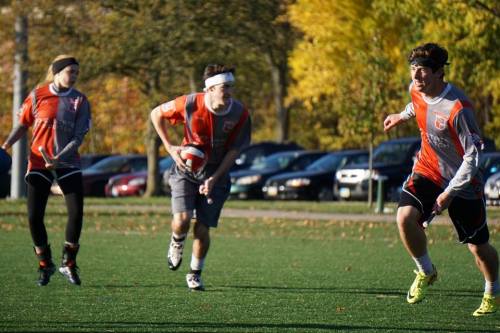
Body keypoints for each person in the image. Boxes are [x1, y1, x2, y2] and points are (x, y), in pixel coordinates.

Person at [384, 43, 499, 316]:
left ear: (438, 73)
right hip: (427, 169)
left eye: (422, 71)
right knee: (404, 217)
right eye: (413, 70)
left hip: (463, 183)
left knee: (478, 247)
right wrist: (401, 116)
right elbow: (416, 105)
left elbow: (473, 159)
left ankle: (492, 292)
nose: (415, 77)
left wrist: (448, 194)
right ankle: (426, 271)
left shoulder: (458, 108)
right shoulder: (416, 88)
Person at [150, 64, 251, 291]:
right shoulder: (189, 103)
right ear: (211, 89)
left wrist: (214, 178)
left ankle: (195, 273)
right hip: (186, 169)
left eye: (231, 87)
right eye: (225, 87)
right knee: (182, 220)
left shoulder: (240, 113)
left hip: (217, 173)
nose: (230, 92)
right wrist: (169, 147)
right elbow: (155, 113)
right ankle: (176, 243)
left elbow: (234, 150)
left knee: (202, 229)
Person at [1, 55, 91, 286]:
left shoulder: (80, 101)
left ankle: (68, 263)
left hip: (68, 161)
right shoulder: (37, 95)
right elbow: (22, 125)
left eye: (76, 73)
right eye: (71, 71)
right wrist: (6, 146)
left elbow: (79, 136)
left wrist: (59, 158)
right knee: (33, 216)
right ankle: (45, 263)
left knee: (76, 212)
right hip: (39, 162)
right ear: (57, 72)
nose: (74, 76)